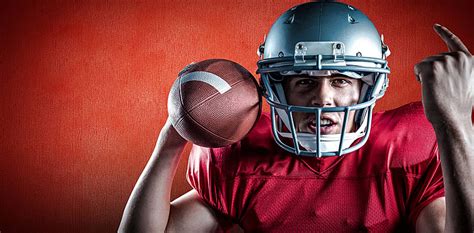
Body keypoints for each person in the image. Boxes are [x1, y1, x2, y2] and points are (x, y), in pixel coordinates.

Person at [119, 1, 473, 232]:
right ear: (276, 88)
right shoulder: (240, 158)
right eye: (304, 81)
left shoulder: (406, 152)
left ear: (369, 87)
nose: (323, 99)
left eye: (340, 80)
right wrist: (171, 139)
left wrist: (454, 124)